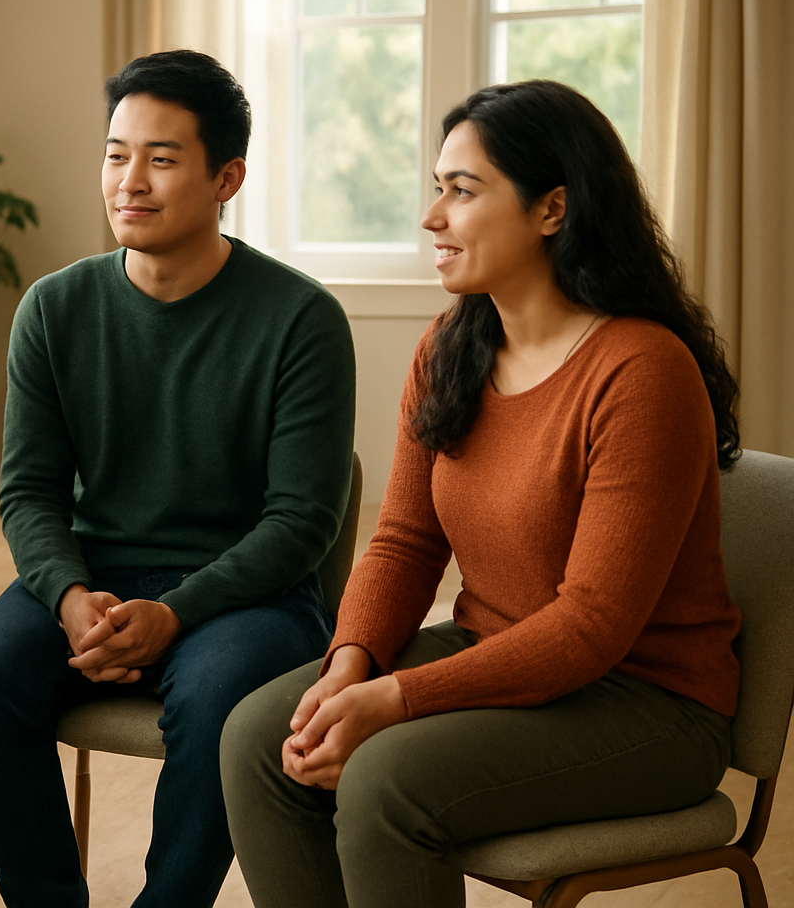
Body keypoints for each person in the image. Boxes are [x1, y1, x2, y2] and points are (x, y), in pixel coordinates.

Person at [220, 79, 743, 908]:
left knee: (385, 781)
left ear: (552, 209)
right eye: (437, 188)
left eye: (462, 191)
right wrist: (350, 662)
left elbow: (590, 627)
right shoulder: (452, 344)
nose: (433, 217)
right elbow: (404, 541)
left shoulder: (642, 372)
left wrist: (395, 697)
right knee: (257, 736)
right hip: (494, 658)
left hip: (647, 704)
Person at [0, 49, 357, 908]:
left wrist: (175, 614)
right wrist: (67, 596)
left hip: (250, 595)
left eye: (161, 159)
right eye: (115, 153)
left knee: (219, 703)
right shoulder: (55, 308)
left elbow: (301, 522)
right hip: (93, 577)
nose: (129, 181)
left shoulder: (301, 319)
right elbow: (27, 493)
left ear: (227, 177)